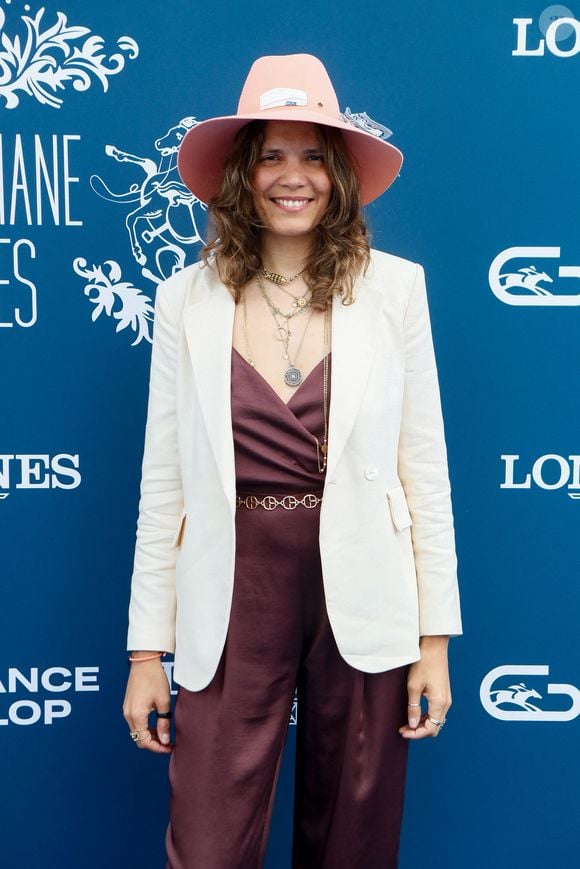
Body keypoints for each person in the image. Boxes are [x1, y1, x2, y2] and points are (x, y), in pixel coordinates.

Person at [123, 53, 463, 869]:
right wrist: (145, 653)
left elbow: (427, 467)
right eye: (272, 154)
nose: (293, 176)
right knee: (207, 846)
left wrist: (435, 639)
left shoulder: (397, 290)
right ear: (242, 173)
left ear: (340, 174)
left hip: (368, 592)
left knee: (353, 841)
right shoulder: (185, 299)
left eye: (313, 155)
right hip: (235, 588)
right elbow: (162, 483)